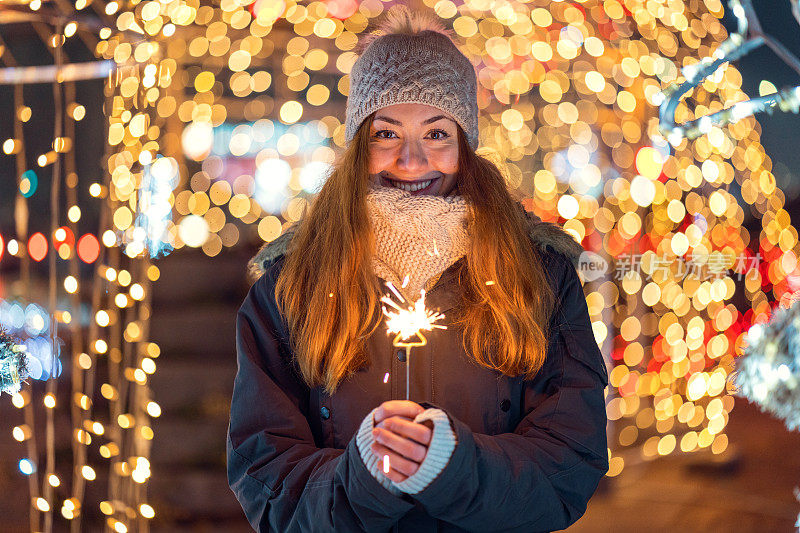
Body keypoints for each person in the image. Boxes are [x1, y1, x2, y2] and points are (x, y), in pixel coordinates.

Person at [227, 7, 609, 532]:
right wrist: (360, 478)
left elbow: (569, 463)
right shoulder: (292, 284)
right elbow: (264, 471)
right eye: (386, 133)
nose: (411, 161)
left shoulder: (537, 275)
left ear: (464, 143)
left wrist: (455, 469)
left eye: (435, 134)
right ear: (359, 141)